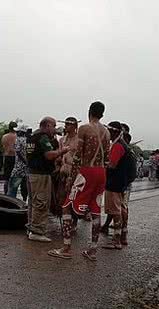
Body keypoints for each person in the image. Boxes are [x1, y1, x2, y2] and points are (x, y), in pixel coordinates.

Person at [48, 101, 109, 261]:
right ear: (102, 114)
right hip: (101, 172)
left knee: (67, 207)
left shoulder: (84, 128)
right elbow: (107, 158)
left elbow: (78, 157)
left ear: (89, 112)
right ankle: (93, 250)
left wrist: (71, 178)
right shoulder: (107, 132)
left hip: (86, 172)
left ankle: (66, 248)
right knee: (95, 210)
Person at [26, 117, 69, 242]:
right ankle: (37, 231)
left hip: (32, 173)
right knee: (41, 202)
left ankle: (31, 228)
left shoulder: (32, 136)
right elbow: (49, 155)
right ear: (47, 125)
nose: (55, 129)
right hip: (41, 175)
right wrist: (62, 151)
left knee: (33, 203)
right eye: (54, 126)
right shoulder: (42, 137)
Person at [102, 122, 130, 250]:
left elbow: (112, 165)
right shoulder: (122, 144)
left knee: (115, 210)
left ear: (113, 132)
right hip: (121, 182)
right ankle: (122, 235)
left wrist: (102, 164)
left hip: (114, 183)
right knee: (120, 208)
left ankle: (116, 240)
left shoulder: (118, 146)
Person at [55, 117, 79, 218]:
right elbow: (59, 155)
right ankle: (65, 218)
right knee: (61, 195)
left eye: (68, 124)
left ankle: (74, 220)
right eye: (65, 124)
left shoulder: (79, 140)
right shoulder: (62, 140)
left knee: (74, 196)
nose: (66, 126)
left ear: (74, 126)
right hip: (63, 170)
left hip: (75, 171)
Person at [8, 126, 29, 201]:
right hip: (26, 168)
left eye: (17, 132)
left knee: (13, 187)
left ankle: (10, 201)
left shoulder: (18, 140)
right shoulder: (28, 140)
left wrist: (24, 161)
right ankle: (24, 201)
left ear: (20, 132)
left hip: (18, 167)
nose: (16, 133)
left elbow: (18, 151)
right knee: (24, 187)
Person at [1, 121, 17, 194]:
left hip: (6, 157)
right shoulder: (16, 136)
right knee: (14, 177)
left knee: (6, 178)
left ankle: (5, 193)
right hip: (14, 157)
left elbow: (3, 147)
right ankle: (12, 193)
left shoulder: (4, 137)